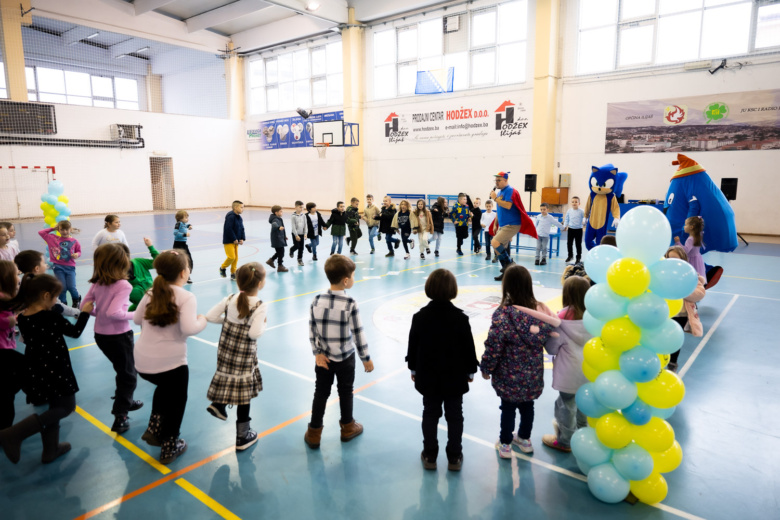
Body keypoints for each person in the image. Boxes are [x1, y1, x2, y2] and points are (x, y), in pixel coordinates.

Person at [0, 274, 93, 464]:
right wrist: (84, 313)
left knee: (54, 406)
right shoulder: (50, 316)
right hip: (56, 367)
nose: (55, 302)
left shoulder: (24, 317)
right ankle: (14, 434)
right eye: (55, 298)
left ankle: (51, 450)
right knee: (66, 407)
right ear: (44, 296)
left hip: (38, 368)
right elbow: (75, 333)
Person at [134, 250, 207, 464]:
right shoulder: (186, 296)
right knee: (177, 401)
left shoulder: (150, 292)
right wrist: (201, 320)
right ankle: (169, 444)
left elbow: (138, 319)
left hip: (142, 362)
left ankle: (155, 428)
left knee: (164, 388)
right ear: (184, 273)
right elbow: (189, 328)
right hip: (170, 364)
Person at [480, 265, 561, 458]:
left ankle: (506, 444)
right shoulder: (541, 312)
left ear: (507, 286)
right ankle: (524, 439)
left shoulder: (503, 314)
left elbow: (494, 344)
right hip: (532, 373)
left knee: (507, 408)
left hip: (508, 373)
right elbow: (551, 338)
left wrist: (486, 367)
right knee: (527, 406)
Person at [406, 269, 478, 471]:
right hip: (454, 378)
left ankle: (430, 454)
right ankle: (454, 456)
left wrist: (413, 369)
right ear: (452, 290)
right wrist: (470, 371)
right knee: (455, 416)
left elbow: (413, 347)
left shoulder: (419, 317)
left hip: (428, 376)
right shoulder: (460, 318)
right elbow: (468, 348)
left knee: (430, 413)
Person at [304, 255, 374, 449]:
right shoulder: (350, 303)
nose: (353, 278)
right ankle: (347, 427)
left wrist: (317, 353)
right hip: (345, 358)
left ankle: (314, 432)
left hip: (323, 358)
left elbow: (312, 331)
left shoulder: (316, 300)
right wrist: (365, 358)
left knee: (321, 392)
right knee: (346, 392)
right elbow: (358, 333)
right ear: (346, 280)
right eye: (352, 276)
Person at [205, 263, 268, 451]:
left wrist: (229, 321)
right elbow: (254, 333)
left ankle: (219, 403)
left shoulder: (231, 298)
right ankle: (242, 436)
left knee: (227, 377)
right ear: (260, 283)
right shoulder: (259, 305)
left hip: (225, 350)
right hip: (243, 355)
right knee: (243, 394)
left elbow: (210, 316)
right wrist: (264, 324)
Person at [82, 243, 142, 434]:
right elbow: (115, 312)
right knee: (129, 376)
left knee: (122, 370)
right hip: (118, 336)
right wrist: (138, 315)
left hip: (100, 335)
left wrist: (100, 313)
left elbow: (85, 306)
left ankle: (126, 400)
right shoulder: (123, 285)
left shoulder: (97, 282)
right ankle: (120, 415)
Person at [542, 276, 591, 452]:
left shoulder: (561, 318)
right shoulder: (596, 317)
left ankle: (565, 441)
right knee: (584, 404)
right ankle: (583, 435)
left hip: (569, 372)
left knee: (566, 406)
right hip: (591, 370)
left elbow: (553, 349)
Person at [489, 172, 538, 282]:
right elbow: (500, 209)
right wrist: (496, 223)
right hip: (503, 224)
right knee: (498, 249)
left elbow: (508, 205)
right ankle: (506, 272)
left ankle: (510, 265)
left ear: (506, 180)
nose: (496, 182)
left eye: (499, 180)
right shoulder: (501, 191)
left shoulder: (510, 190)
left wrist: (495, 198)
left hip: (512, 224)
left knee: (495, 243)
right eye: (495, 180)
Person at [665, 246, 706, 372]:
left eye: (675, 259)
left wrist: (683, 291)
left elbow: (700, 293)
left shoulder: (691, 276)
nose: (672, 262)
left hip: (681, 314)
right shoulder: (662, 274)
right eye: (669, 259)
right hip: (664, 313)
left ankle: (672, 362)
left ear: (683, 260)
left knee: (674, 338)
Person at [13, 250, 80, 318]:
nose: (46, 265)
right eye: (44, 263)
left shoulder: (22, 283)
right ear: (37, 268)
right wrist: (77, 312)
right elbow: (58, 307)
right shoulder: (45, 285)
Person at [0, 260, 23, 429]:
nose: (19, 277)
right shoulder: (1, 299)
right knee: (6, 396)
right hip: (2, 351)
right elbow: (5, 321)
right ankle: (5, 432)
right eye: (16, 274)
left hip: (6, 347)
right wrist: (13, 319)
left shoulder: (7, 297)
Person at [38, 220, 82, 307]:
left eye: (67, 229)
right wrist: (53, 228)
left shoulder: (74, 241)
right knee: (62, 287)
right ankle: (63, 303)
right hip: (58, 267)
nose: (64, 232)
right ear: (59, 230)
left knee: (71, 287)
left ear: (70, 229)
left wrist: (77, 254)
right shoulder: (52, 238)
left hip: (70, 267)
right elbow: (41, 232)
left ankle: (76, 299)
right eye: (62, 229)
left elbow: (79, 251)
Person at [123, 238, 160, 311]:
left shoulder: (138, 262)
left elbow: (158, 262)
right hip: (139, 300)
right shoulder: (116, 274)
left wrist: (150, 246)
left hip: (152, 294)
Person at [220, 201, 246, 281]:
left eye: (243, 207)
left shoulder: (239, 217)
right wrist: (234, 238)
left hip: (236, 241)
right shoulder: (230, 216)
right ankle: (222, 267)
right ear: (235, 207)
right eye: (241, 207)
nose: (243, 209)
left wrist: (242, 238)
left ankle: (233, 273)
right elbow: (228, 229)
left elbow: (242, 228)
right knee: (231, 257)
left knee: (236, 258)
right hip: (229, 241)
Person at [172, 210, 194, 283]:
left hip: (184, 244)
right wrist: (185, 235)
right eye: (186, 218)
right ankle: (175, 275)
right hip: (178, 245)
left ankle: (187, 275)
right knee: (180, 261)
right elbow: (175, 233)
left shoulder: (183, 223)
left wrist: (189, 226)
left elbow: (186, 225)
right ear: (180, 219)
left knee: (188, 259)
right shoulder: (178, 224)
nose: (187, 219)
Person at [266, 205, 289, 273]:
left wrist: (284, 236)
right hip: (277, 238)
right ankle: (280, 266)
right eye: (281, 211)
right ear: (276, 212)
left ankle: (271, 260)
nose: (282, 213)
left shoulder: (277, 218)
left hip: (279, 238)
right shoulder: (275, 219)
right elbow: (274, 225)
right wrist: (278, 227)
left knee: (280, 252)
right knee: (281, 252)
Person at [563, 196, 585, 264]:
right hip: (570, 229)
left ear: (579, 203)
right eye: (573, 202)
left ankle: (578, 257)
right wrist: (565, 226)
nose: (574, 203)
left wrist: (584, 222)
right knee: (569, 243)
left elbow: (585, 218)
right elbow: (567, 219)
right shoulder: (569, 211)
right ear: (571, 203)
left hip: (578, 230)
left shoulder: (581, 211)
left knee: (578, 244)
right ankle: (570, 256)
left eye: (576, 202)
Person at [289, 201, 307, 267]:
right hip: (295, 234)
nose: (301, 208)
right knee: (297, 246)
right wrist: (296, 235)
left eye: (302, 207)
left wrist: (305, 233)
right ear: (295, 207)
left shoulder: (304, 216)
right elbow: (293, 227)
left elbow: (305, 225)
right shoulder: (293, 216)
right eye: (300, 207)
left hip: (302, 234)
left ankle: (300, 259)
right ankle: (292, 249)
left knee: (301, 248)